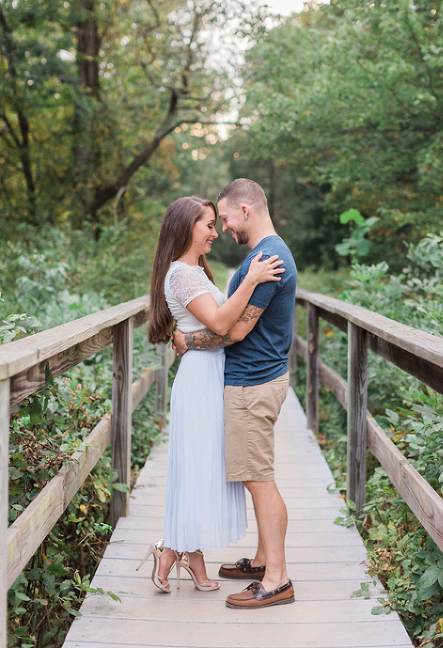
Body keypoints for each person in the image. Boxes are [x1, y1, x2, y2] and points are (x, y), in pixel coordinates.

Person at [142, 196, 284, 593]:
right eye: (208, 224)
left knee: (203, 468)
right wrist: (252, 280)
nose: (215, 232)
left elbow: (220, 323)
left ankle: (181, 551)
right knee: (196, 467)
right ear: (187, 227)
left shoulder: (193, 271)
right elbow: (222, 321)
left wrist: (188, 338)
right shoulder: (183, 275)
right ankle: (175, 550)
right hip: (200, 378)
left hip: (211, 373)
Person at [172, 178, 298, 609]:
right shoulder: (264, 256)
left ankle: (277, 580)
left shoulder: (269, 257)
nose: (223, 227)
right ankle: (264, 560)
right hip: (255, 379)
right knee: (254, 474)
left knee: (258, 480)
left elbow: (236, 328)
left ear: (246, 210)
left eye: (224, 218)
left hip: (253, 382)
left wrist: (189, 342)